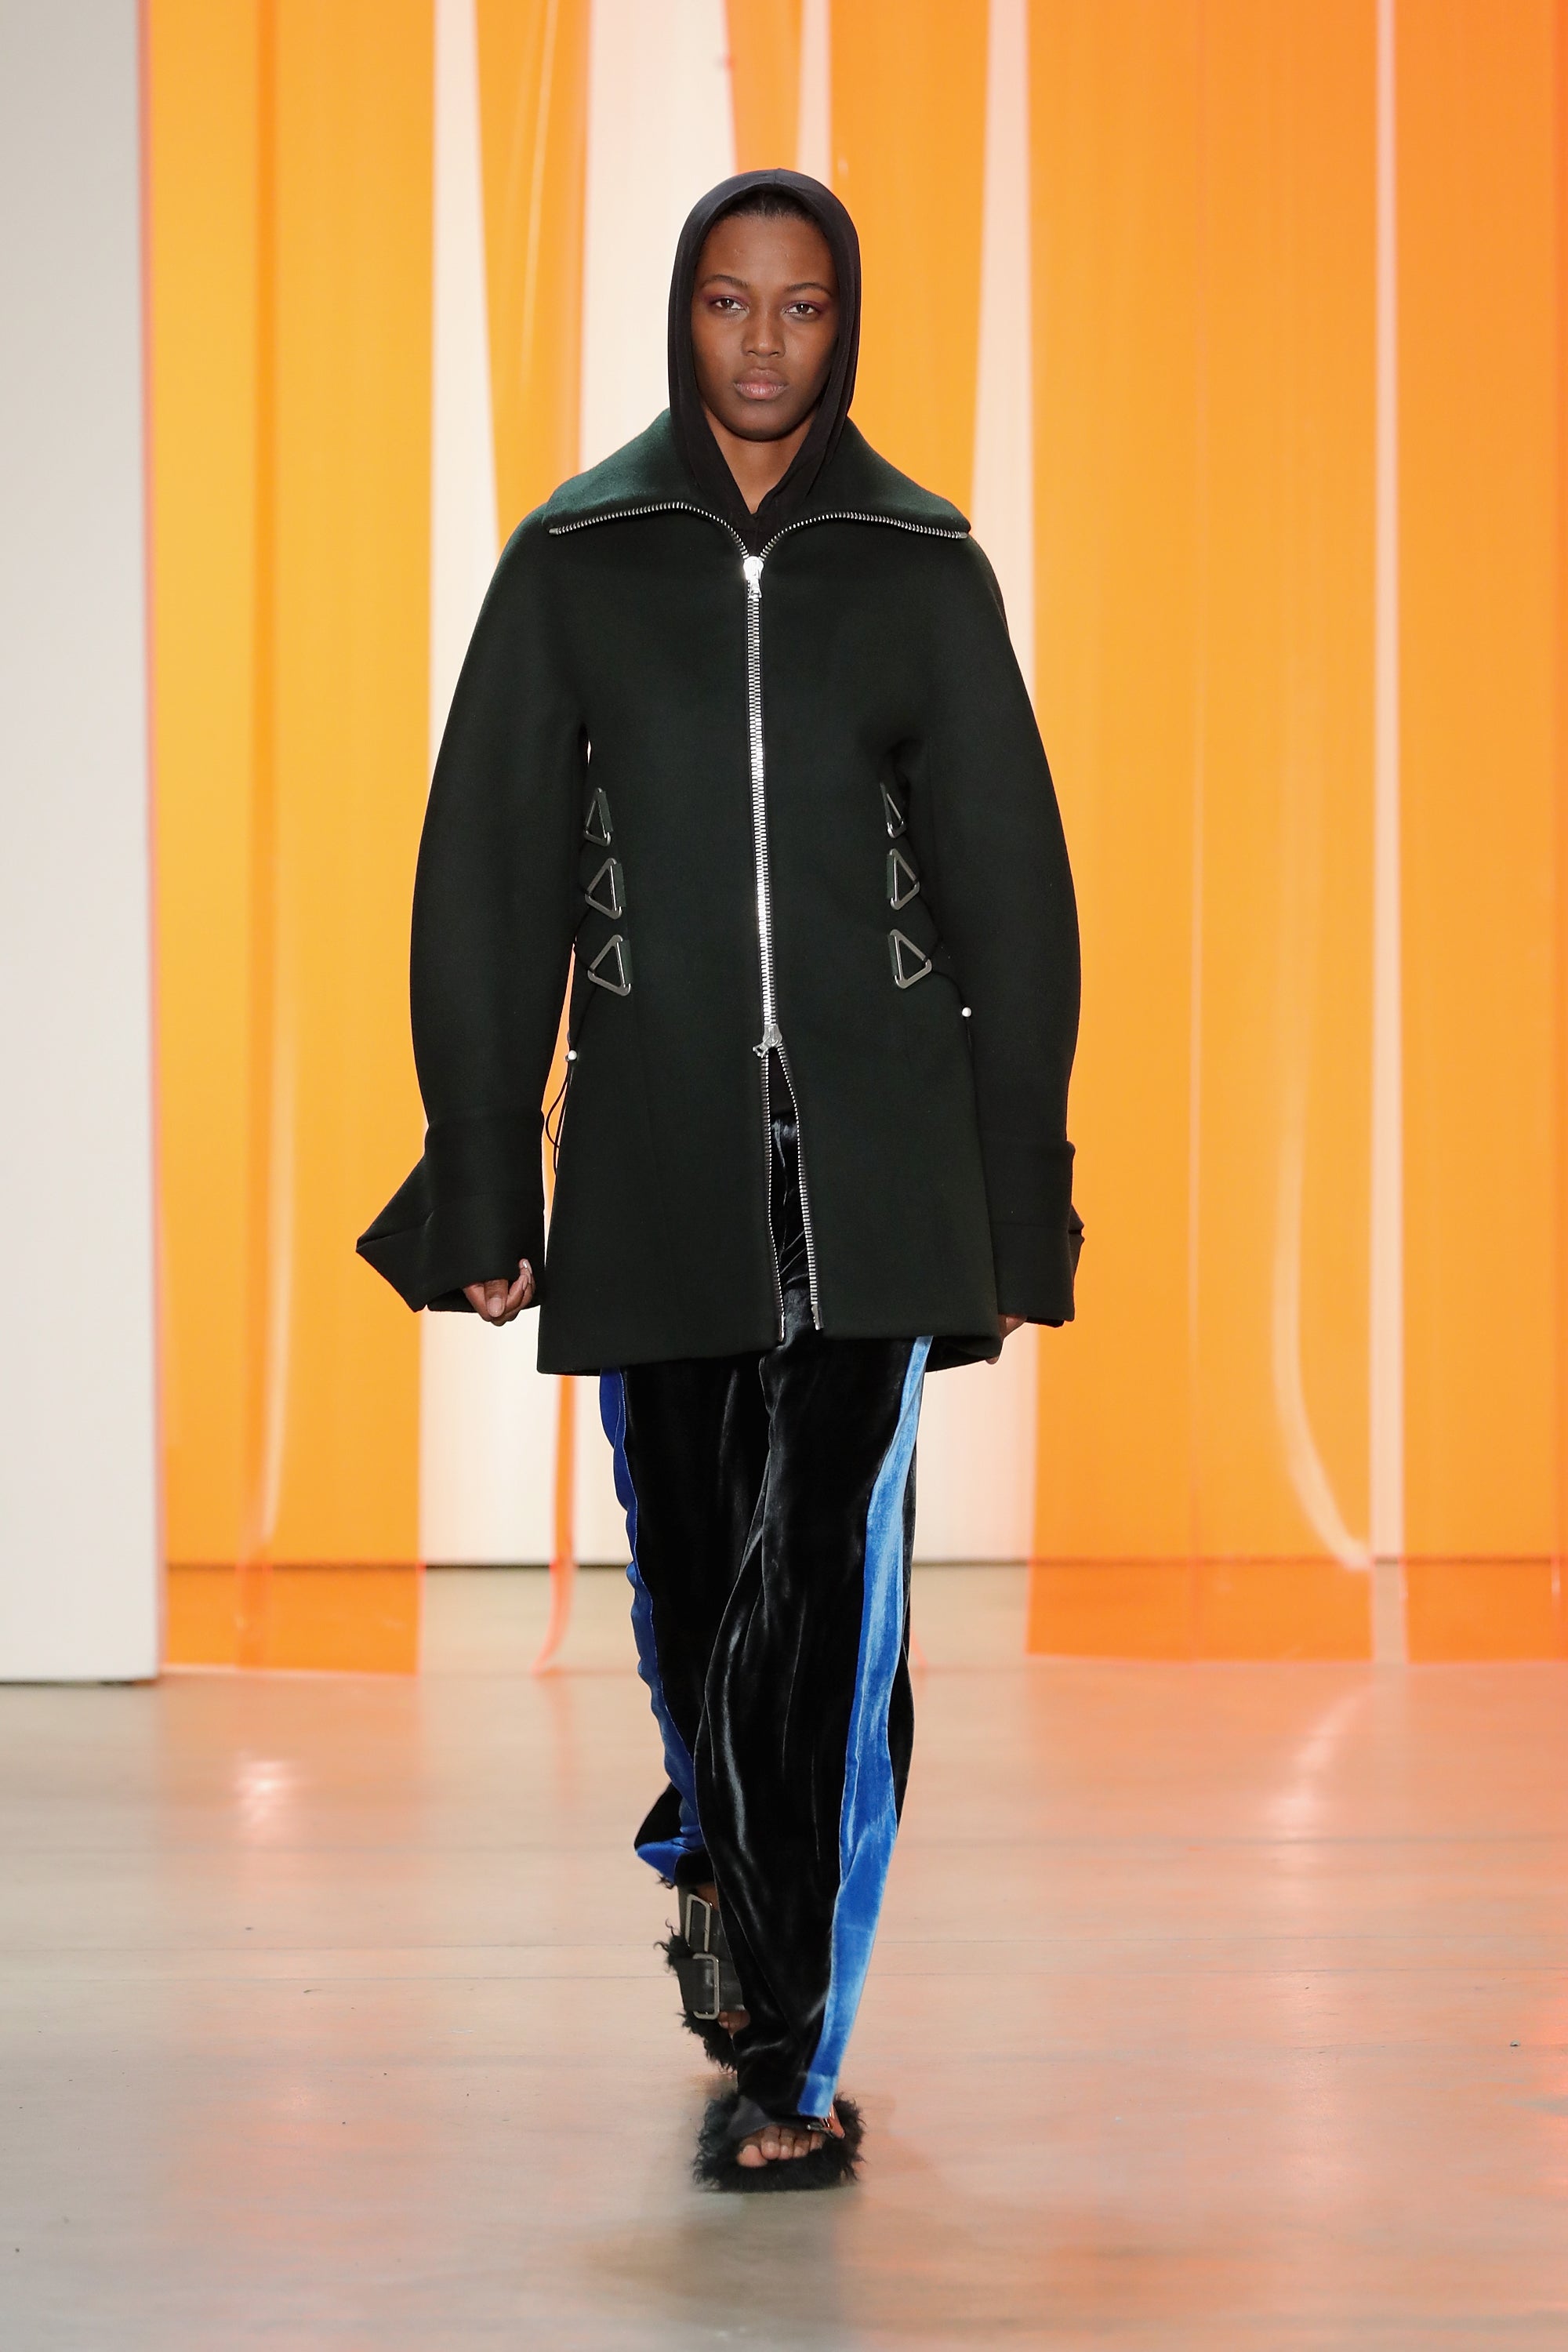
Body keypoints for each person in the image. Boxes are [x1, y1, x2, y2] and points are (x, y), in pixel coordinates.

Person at [360, 168, 1080, 2191]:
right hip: (660, 1164)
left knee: (824, 1594)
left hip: (879, 1170)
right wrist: (485, 1177)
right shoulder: (576, 559)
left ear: (848, 321)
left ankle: (785, 2045)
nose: (765, 342)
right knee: (693, 1583)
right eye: (729, 303)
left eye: (803, 304)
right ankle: (717, 1853)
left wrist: (1017, 1198)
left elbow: (1014, 895)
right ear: (683, 314)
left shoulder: (920, 564)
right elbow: (488, 876)